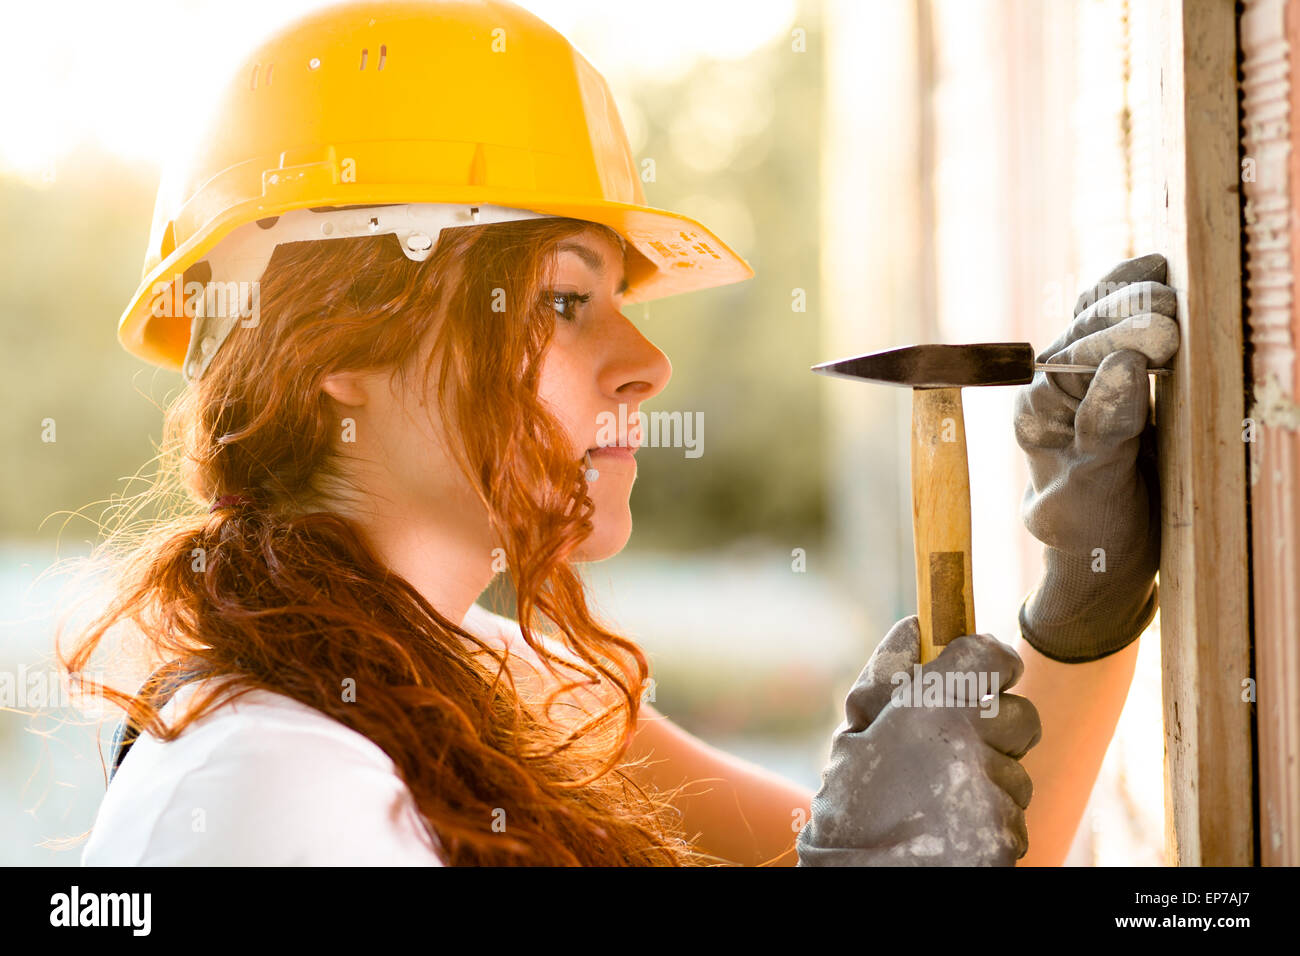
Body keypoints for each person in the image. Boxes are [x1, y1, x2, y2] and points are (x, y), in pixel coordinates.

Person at [65, 0, 1178, 867]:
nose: (648, 362)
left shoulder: (483, 684)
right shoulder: (270, 788)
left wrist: (1084, 604)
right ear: (333, 347)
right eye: (561, 299)